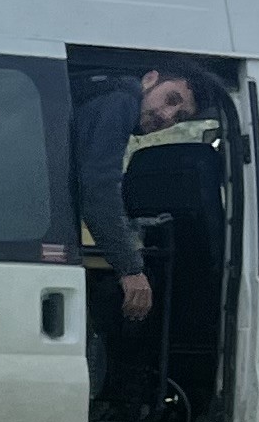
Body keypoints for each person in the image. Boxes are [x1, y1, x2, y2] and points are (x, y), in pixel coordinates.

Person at [71, 62, 214, 324]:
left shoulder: (100, 92)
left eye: (179, 116)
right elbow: (97, 190)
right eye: (171, 99)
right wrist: (131, 270)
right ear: (150, 79)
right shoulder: (121, 99)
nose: (168, 116)